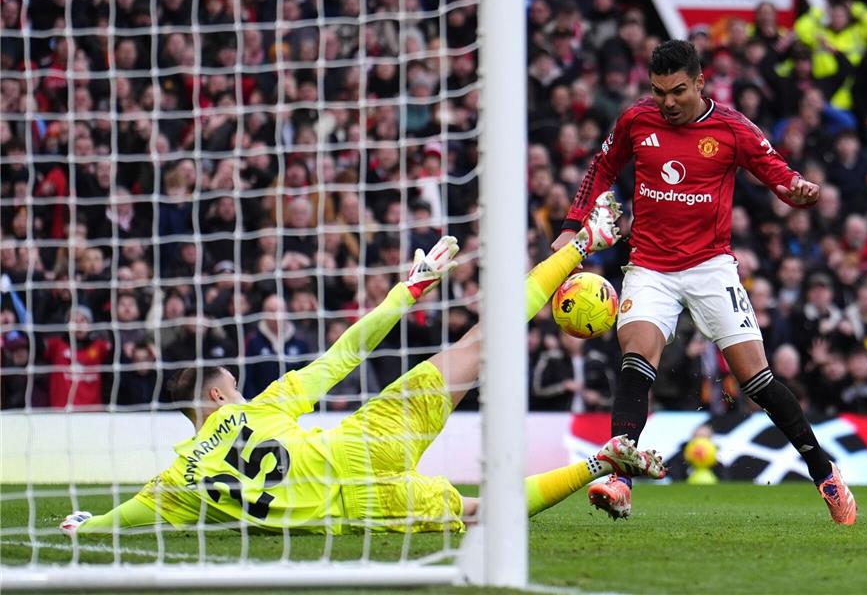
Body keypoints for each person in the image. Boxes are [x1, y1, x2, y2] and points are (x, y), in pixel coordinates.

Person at [60, 194, 665, 536]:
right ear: (218, 398)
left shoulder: (180, 480)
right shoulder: (265, 407)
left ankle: (597, 462)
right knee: (481, 347)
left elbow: (125, 517)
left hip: (356, 507)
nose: (243, 392)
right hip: (362, 440)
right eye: (235, 388)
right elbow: (346, 351)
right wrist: (407, 292)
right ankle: (583, 244)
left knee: (482, 510)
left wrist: (83, 525)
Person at [551, 40, 856, 525]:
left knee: (757, 380)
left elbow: (779, 176)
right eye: (658, 92)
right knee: (635, 359)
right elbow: (601, 169)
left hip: (711, 266)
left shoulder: (733, 129)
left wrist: (799, 191)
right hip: (649, 264)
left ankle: (823, 470)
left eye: (677, 91)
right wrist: (571, 226)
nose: (667, 103)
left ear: (699, 82)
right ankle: (620, 481)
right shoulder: (636, 121)